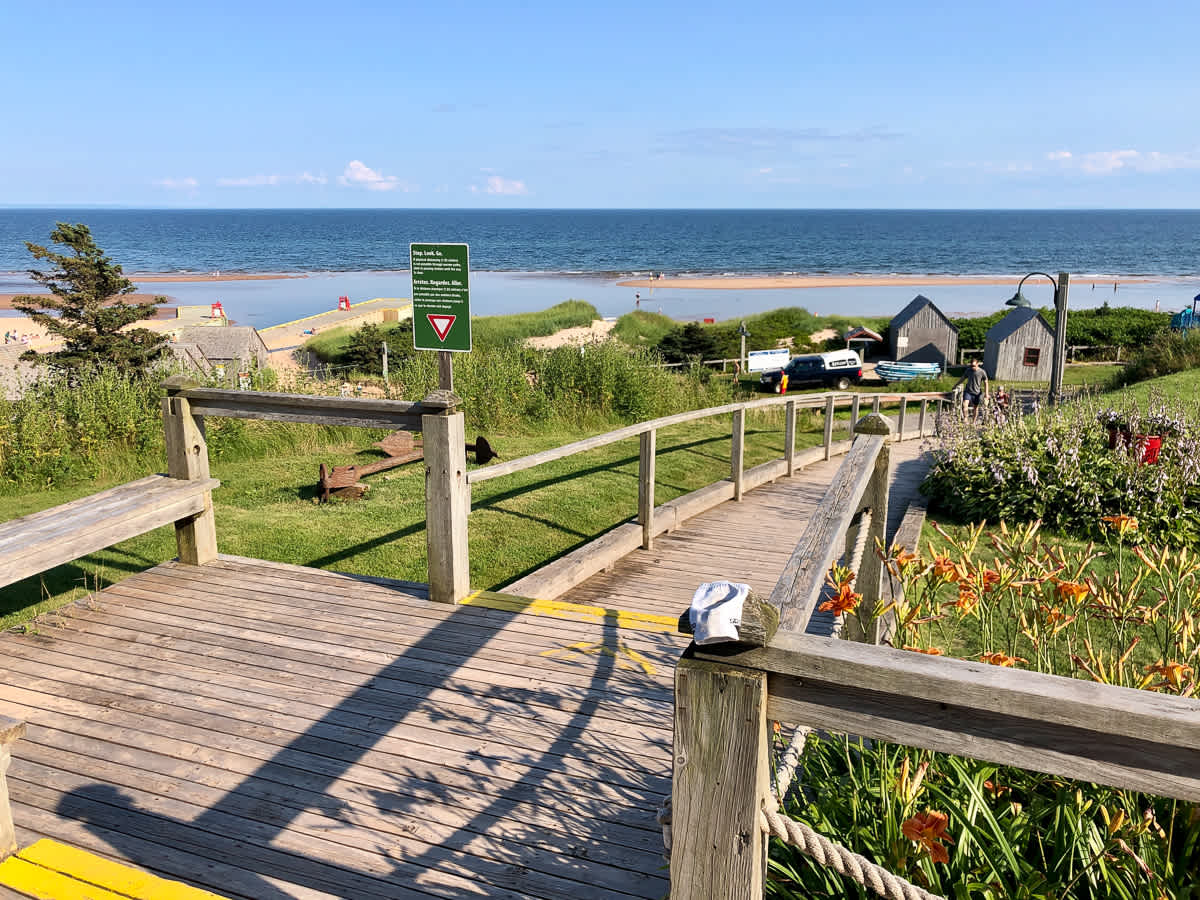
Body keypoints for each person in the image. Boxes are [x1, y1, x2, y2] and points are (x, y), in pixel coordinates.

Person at [954, 359, 989, 424]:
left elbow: (986, 382)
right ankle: (965, 418)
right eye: (971, 366)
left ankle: (973, 422)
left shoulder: (982, 372)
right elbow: (962, 378)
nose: (972, 367)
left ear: (977, 364)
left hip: (977, 393)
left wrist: (986, 393)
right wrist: (956, 385)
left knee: (975, 408)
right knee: (965, 404)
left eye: (974, 366)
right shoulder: (968, 370)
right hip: (968, 391)